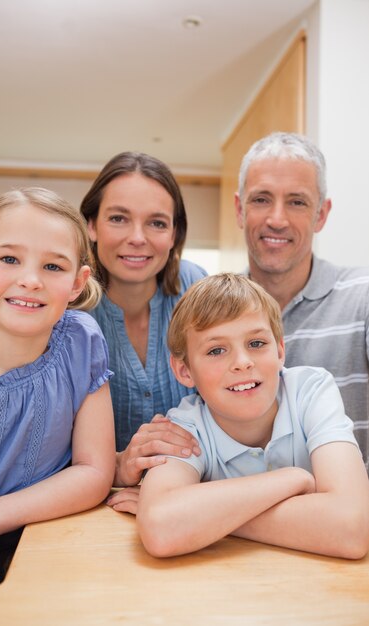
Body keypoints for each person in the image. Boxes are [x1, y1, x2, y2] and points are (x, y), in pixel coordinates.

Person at [136, 273, 369, 559]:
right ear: (184, 371)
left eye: (256, 344)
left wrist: (211, 518)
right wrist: (291, 479)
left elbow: (353, 528)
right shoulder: (184, 427)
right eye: (216, 350)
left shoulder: (311, 391)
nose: (243, 363)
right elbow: (161, 530)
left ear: (280, 349)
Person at [0, 187, 115, 594]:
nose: (30, 280)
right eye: (9, 259)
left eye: (53, 267)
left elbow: (94, 471)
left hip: (44, 542)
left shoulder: (80, 342)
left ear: (78, 282)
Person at [234, 132, 369, 471]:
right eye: (261, 199)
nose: (277, 219)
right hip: (236, 522)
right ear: (240, 209)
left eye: (297, 202)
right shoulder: (215, 314)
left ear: (321, 214)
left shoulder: (362, 298)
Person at [80, 152, 205, 490]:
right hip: (87, 503)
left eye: (157, 222)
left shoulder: (199, 290)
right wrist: (118, 465)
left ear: (174, 233)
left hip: (190, 496)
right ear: (91, 225)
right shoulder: (67, 308)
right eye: (119, 218)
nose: (138, 237)